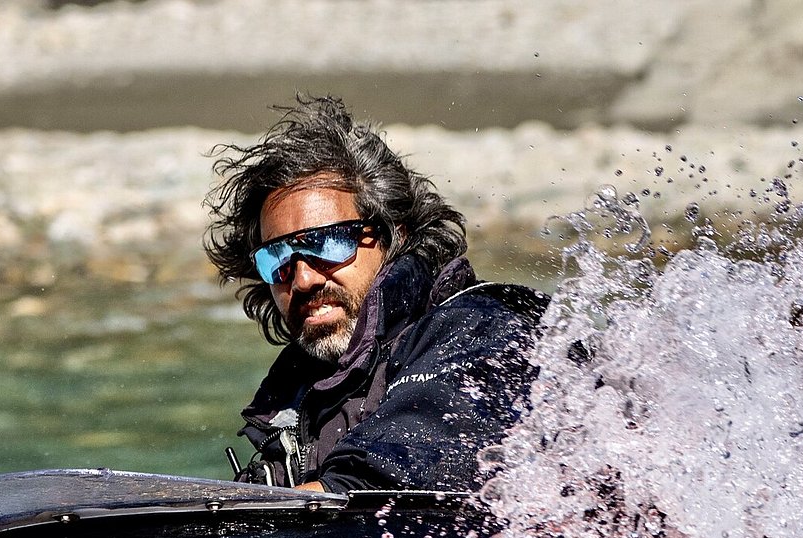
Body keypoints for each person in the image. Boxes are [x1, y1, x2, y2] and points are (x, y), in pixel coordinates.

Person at [204, 96, 549, 493]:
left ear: (393, 235)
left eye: (326, 243)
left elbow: (388, 472)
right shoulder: (294, 399)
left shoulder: (480, 329)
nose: (302, 280)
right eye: (277, 258)